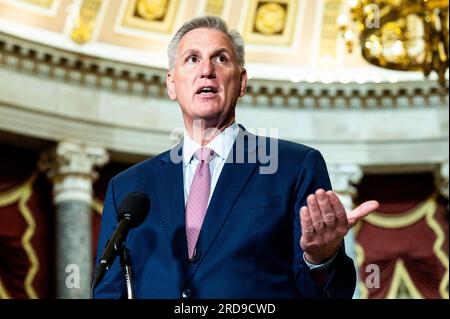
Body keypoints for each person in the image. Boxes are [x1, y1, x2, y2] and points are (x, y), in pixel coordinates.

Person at [93, 16, 379, 299]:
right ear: (171, 83)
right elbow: (108, 291)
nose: (206, 70)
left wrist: (321, 257)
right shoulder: (128, 188)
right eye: (192, 59)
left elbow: (329, 293)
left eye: (221, 59)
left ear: (241, 81)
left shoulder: (294, 166)